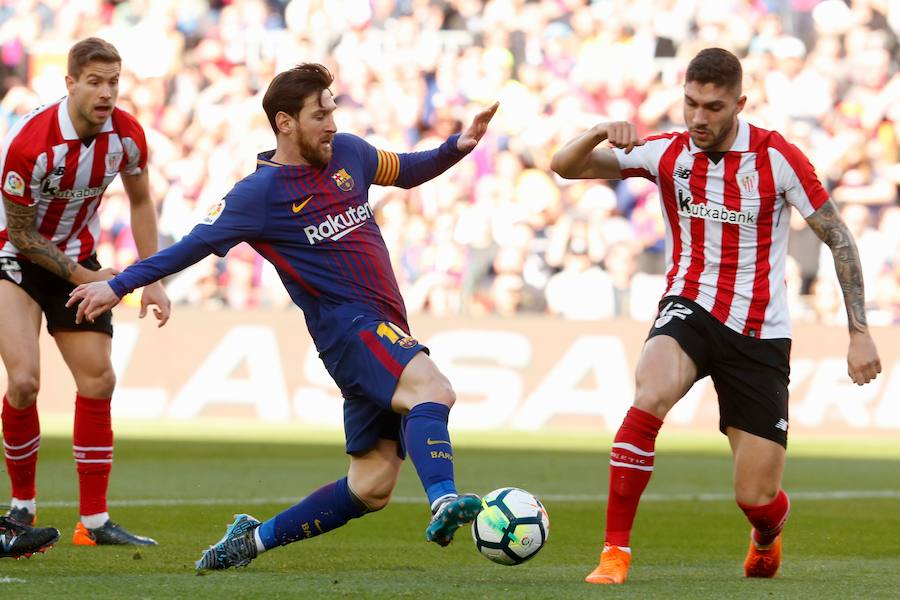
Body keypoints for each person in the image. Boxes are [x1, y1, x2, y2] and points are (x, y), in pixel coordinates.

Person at [68, 63, 499, 570]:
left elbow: (404, 169)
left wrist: (456, 147)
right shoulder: (258, 194)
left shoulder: (351, 154)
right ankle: (446, 500)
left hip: (384, 327)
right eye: (320, 115)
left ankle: (249, 541)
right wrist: (118, 286)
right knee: (434, 389)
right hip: (349, 330)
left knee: (372, 485)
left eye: (333, 110)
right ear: (285, 122)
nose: (332, 124)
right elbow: (190, 246)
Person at [550, 47, 881, 585]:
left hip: (759, 333)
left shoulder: (778, 158)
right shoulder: (665, 152)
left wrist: (859, 333)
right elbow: (564, 166)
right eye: (690, 103)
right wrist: (595, 132)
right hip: (690, 306)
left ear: (739, 104)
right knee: (650, 391)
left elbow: (838, 237)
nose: (699, 118)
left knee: (756, 497)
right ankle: (615, 553)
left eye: (713, 106)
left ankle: (767, 532)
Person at [0, 37, 170, 548]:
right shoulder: (29, 143)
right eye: (94, 81)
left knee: (98, 380)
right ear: (70, 83)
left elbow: (141, 203)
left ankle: (93, 523)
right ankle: (22, 507)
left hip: (81, 263)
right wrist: (91, 279)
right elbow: (24, 234)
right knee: (25, 381)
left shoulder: (129, 136)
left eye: (113, 81)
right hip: (16, 262)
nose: (106, 92)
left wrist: (151, 277)